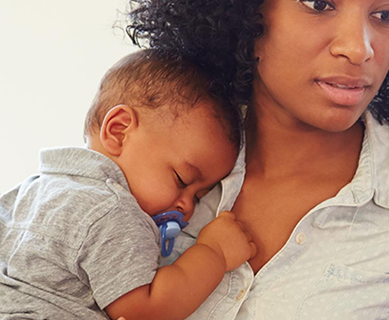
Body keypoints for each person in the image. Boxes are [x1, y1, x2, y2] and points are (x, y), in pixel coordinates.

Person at [128, 0, 389, 318]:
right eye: (319, 4)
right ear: (245, 8)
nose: (359, 48)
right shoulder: (139, 166)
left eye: (386, 14)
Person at [0, 51, 256, 320]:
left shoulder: (35, 188)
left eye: (199, 196)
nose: (187, 208)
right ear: (119, 131)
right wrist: (214, 252)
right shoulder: (113, 210)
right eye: (182, 180)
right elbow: (145, 311)